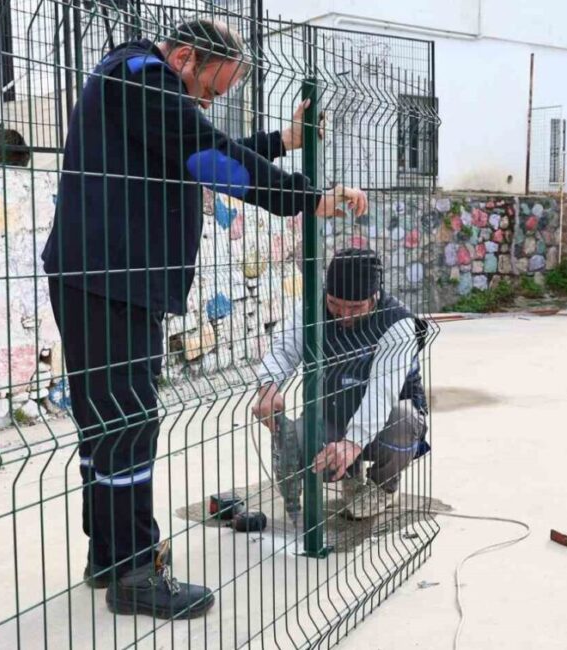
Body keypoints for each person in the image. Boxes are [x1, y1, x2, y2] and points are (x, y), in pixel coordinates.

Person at [41, 19, 368, 620]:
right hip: (113, 280)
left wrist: (282, 141)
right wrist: (306, 197)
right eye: (210, 89)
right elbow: (207, 152)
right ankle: (135, 571)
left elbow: (194, 142)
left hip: (101, 277)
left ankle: (110, 555)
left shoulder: (136, 85)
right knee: (129, 421)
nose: (207, 102)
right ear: (185, 58)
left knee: (106, 422)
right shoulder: (140, 75)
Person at [252, 249, 430, 520]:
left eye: (355, 308)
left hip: (387, 421)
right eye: (335, 303)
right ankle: (350, 474)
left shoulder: (398, 324)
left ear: (374, 296)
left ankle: (383, 486)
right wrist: (268, 385)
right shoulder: (311, 308)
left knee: (404, 419)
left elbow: (381, 393)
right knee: (294, 441)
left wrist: (353, 441)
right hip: (334, 413)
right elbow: (284, 350)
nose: (344, 315)